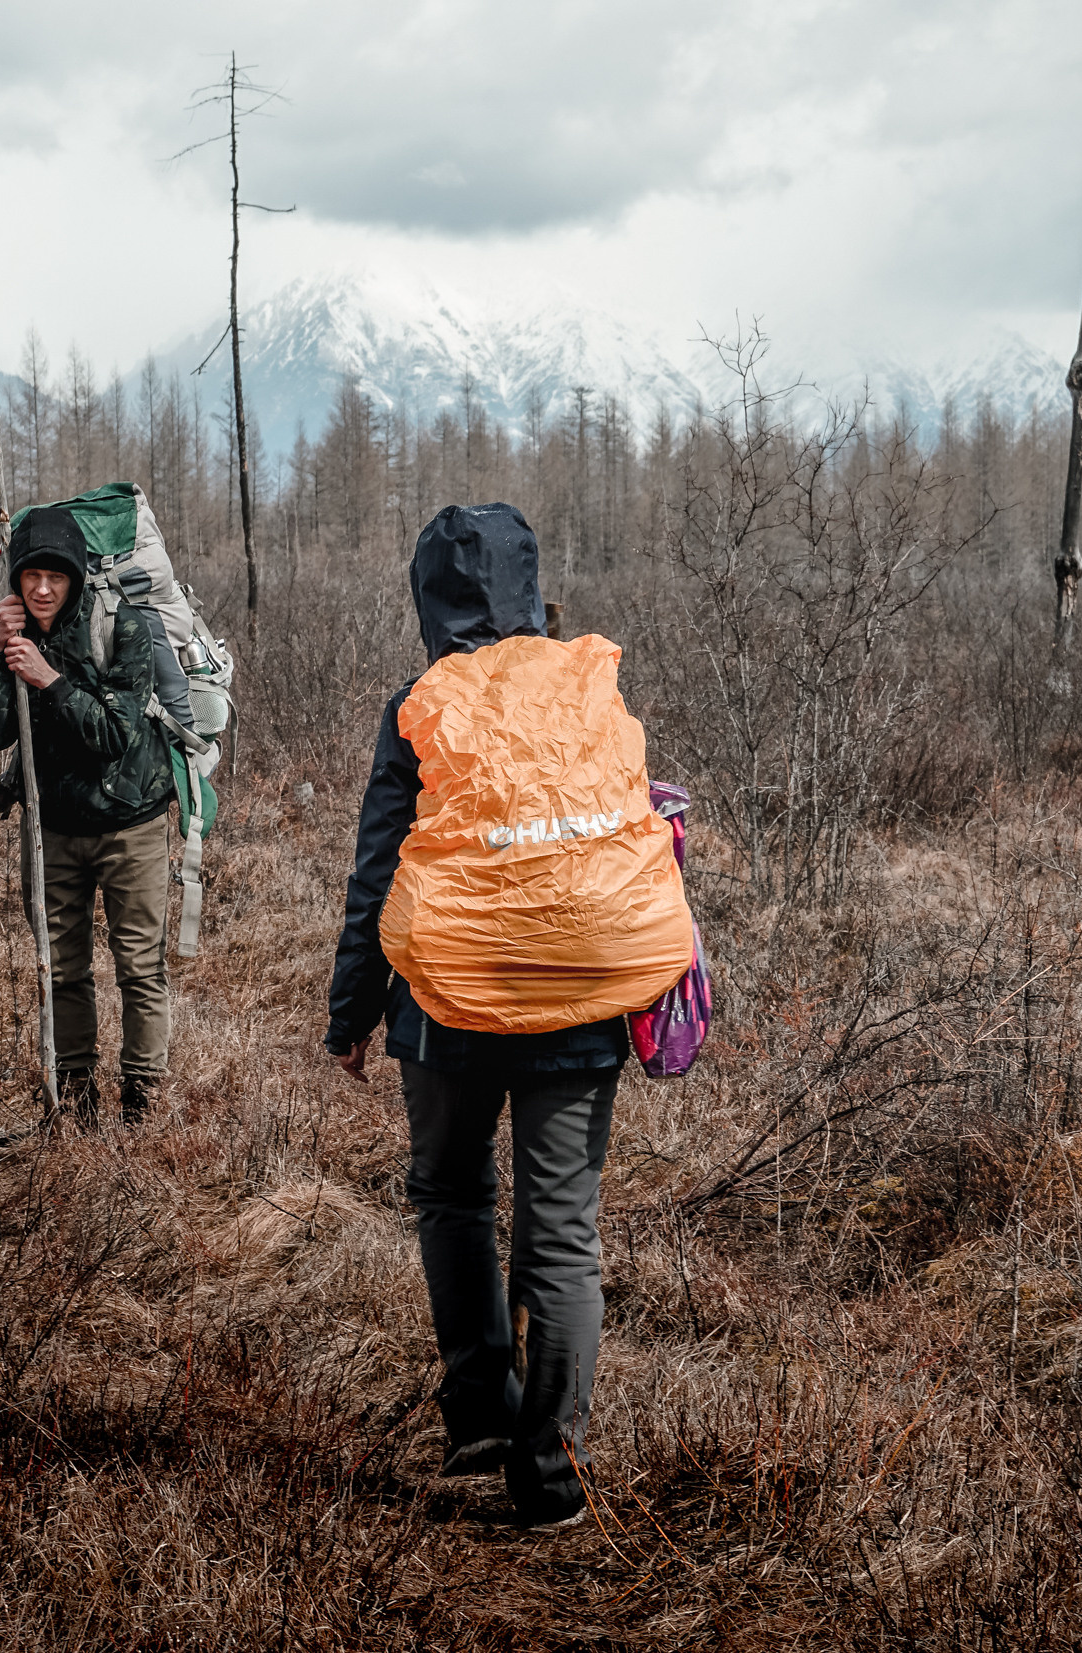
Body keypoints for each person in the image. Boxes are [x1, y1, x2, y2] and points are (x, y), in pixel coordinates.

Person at [324, 503, 627, 1529]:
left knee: (451, 1192)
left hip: (445, 1007)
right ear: (531, 587)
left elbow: (378, 872)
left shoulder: (421, 700)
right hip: (582, 997)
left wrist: (352, 1010)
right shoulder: (590, 683)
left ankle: (480, 1415)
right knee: (563, 1230)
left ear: (429, 598)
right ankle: (550, 1472)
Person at [0, 503, 176, 1127]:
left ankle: (142, 1102)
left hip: (129, 821)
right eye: (32, 576)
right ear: (18, 578)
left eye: (56, 576)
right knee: (61, 968)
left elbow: (114, 733)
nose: (44, 588)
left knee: (138, 965)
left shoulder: (122, 625)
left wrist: (49, 678)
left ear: (77, 575)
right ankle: (76, 1102)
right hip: (54, 825)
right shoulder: (11, 629)